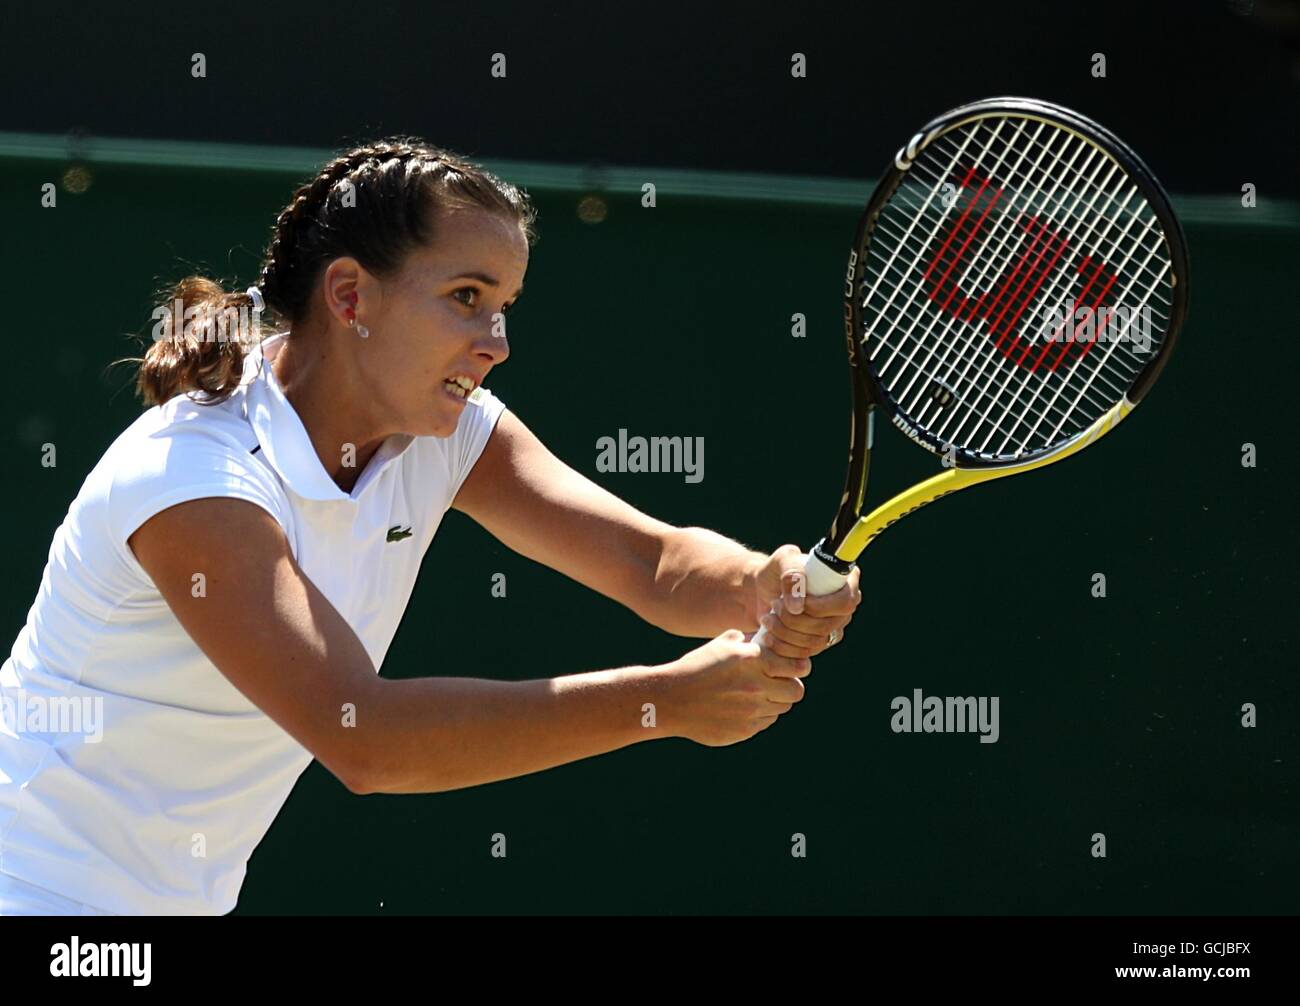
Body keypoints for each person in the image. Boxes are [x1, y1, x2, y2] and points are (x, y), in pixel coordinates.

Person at [0, 138, 860, 916]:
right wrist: (664, 702)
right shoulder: (194, 478)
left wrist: (759, 581)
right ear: (350, 296)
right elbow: (362, 736)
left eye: (506, 305)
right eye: (466, 297)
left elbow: (653, 562)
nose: (497, 341)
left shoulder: (443, 435)